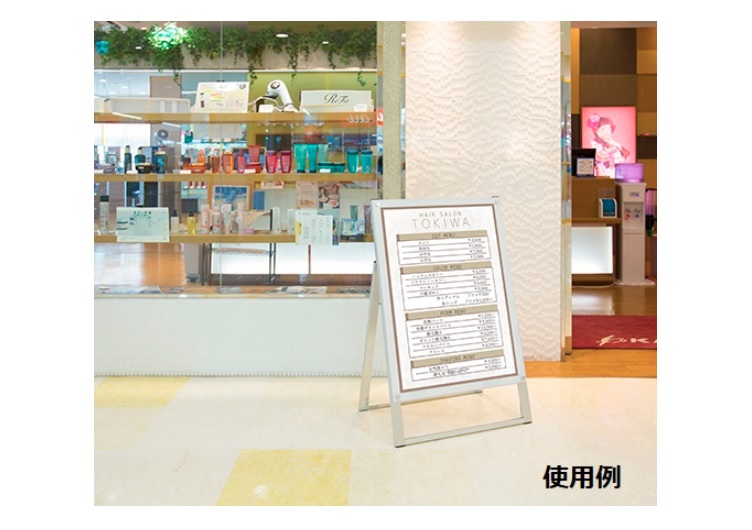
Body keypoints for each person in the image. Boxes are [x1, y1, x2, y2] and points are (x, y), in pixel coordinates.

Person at [587, 114, 630, 178]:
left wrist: (616, 144)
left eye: (608, 128)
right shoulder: (595, 146)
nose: (607, 131)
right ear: (596, 131)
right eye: (603, 129)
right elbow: (603, 159)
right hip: (603, 178)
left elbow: (626, 157)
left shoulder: (614, 144)